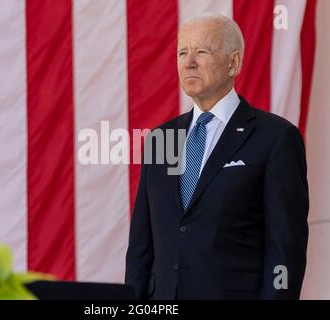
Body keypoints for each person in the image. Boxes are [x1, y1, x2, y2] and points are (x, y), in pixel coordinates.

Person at [125, 13, 309, 300]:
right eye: (182, 52)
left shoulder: (275, 138)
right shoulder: (161, 138)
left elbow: (285, 249)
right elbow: (141, 246)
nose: (188, 62)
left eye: (201, 51)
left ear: (233, 63)